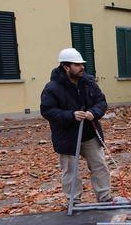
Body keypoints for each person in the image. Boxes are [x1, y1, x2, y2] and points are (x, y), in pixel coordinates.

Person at [40, 48, 112, 205]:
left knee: (100, 165)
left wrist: (94, 112)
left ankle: (104, 197)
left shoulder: (89, 83)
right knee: (70, 171)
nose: (82, 67)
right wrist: (70, 115)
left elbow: (101, 102)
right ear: (66, 67)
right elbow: (47, 110)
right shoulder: (52, 88)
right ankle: (74, 200)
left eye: (81, 64)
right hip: (67, 137)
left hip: (90, 133)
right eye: (77, 64)